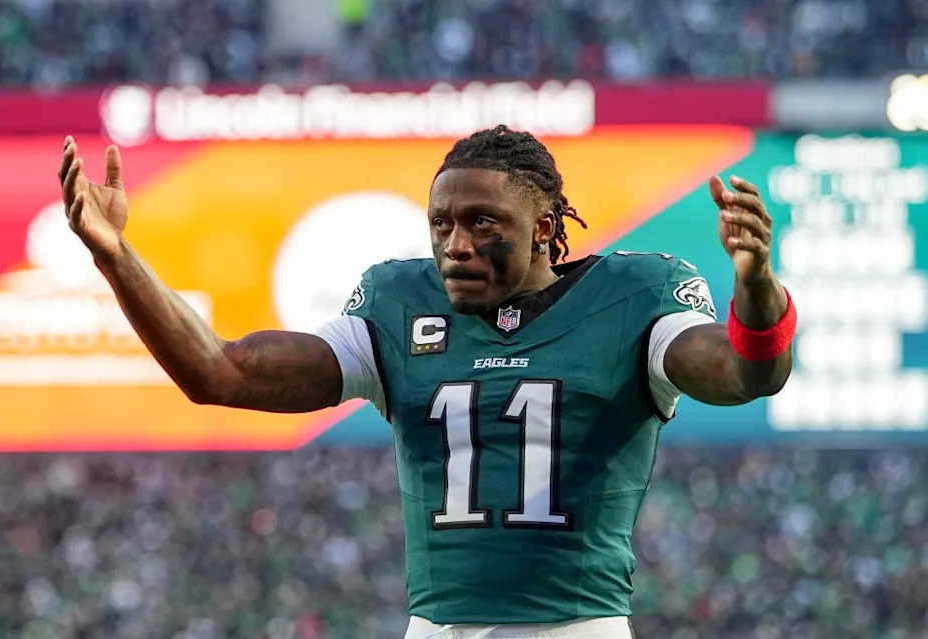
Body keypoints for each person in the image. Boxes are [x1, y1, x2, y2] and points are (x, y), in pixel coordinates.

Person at [57, 125, 795, 639]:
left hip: (576, 625)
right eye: (441, 223)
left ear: (544, 225)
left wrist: (754, 284)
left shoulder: (635, 292)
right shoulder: (396, 301)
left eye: (481, 222)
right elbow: (219, 372)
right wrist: (117, 257)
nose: (454, 244)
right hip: (434, 625)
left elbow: (744, 372)